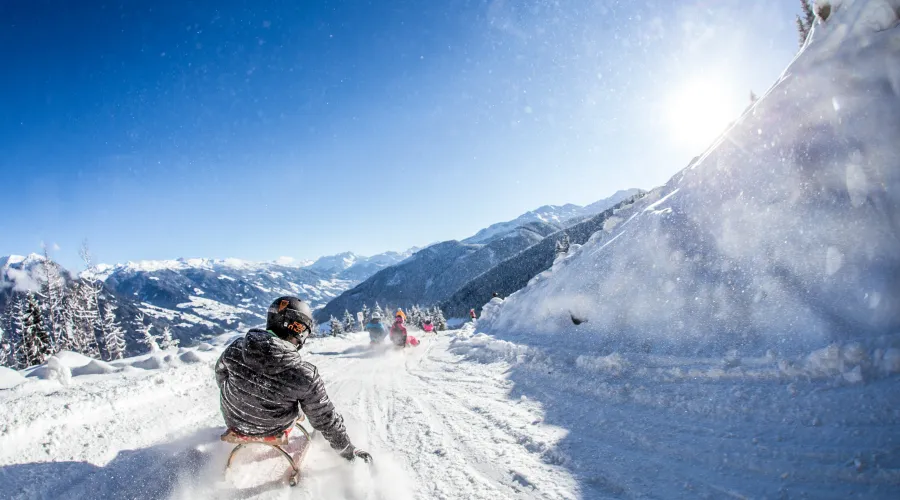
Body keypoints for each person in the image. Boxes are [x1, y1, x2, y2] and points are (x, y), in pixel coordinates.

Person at [216, 296, 372, 463]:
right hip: (273, 428)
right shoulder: (304, 374)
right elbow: (325, 418)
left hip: (234, 422)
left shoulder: (235, 348)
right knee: (304, 406)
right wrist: (347, 449)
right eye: (302, 329)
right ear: (297, 330)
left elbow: (221, 376)